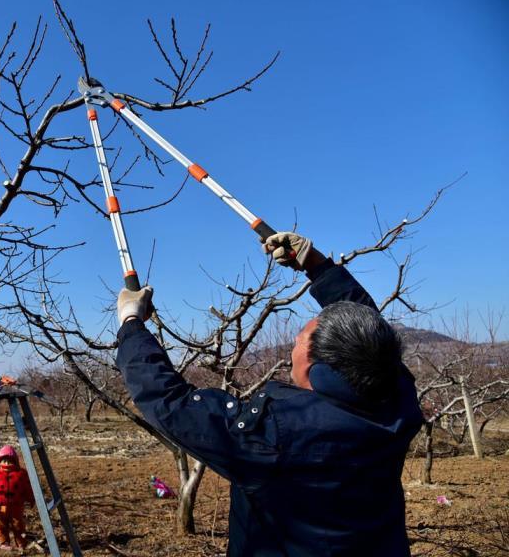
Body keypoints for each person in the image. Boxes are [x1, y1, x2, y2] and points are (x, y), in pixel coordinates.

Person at [115, 231, 424, 556]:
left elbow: (171, 403)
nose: (293, 344)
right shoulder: (394, 399)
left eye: (300, 340)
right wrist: (318, 265)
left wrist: (131, 322)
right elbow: (371, 331)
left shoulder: (277, 434)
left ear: (319, 366)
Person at [0, 445, 35, 551]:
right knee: (2, 523)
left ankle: (21, 542)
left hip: (17, 506)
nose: (6, 464)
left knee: (18, 525)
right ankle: (4, 542)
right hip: (2, 506)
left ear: (15, 462)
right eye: (4, 461)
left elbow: (27, 487)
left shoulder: (21, 474)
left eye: (10, 461)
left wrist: (31, 498)